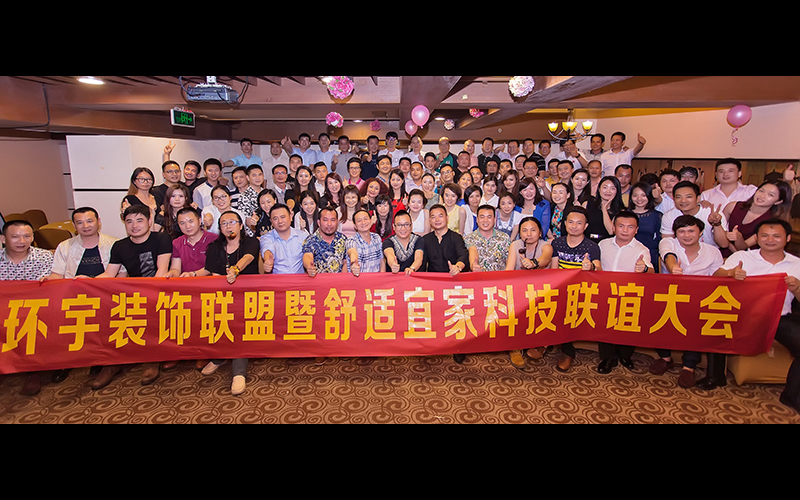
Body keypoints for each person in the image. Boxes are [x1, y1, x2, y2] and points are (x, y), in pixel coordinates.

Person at [713, 218, 800, 411]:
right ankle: (715, 376)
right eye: (765, 235)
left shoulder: (797, 264)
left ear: (787, 238)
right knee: (713, 322)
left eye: (776, 236)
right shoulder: (743, 257)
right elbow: (715, 277)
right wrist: (731, 274)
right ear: (757, 238)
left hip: (778, 317)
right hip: (740, 313)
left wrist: (796, 288)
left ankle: (791, 396)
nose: (770, 240)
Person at [95, 204, 172, 387]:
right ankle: (112, 363)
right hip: (134, 294)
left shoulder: (161, 239)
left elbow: (161, 270)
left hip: (159, 291)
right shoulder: (120, 246)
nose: (134, 225)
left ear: (149, 221)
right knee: (108, 312)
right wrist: (85, 281)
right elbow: (109, 274)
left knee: (150, 313)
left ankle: (152, 360)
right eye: (129, 221)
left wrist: (147, 294)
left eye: (139, 220)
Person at [652, 215, 724, 388]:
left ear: (700, 233)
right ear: (675, 234)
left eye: (691, 231)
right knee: (655, 314)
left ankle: (689, 366)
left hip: (700, 298)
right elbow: (668, 255)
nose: (686, 235)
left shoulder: (712, 252)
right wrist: (673, 268)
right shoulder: (668, 243)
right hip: (670, 295)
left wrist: (729, 274)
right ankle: (665, 358)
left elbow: (717, 277)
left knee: (697, 319)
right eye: (681, 231)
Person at [198, 211, 259, 395]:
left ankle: (238, 372)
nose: (228, 226)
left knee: (239, 322)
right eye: (224, 223)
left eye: (232, 222)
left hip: (249, 296)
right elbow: (213, 273)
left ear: (240, 225)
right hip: (224, 295)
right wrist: (191, 275)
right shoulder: (214, 247)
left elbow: (248, 258)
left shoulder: (251, 242)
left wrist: (235, 270)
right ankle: (220, 355)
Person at [596, 211, 654, 374]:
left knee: (628, 326)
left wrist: (644, 269)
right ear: (614, 227)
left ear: (636, 230)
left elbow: (651, 270)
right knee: (605, 325)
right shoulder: (603, 244)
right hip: (606, 292)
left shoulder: (641, 249)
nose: (625, 230)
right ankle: (607, 358)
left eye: (630, 227)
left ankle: (624, 355)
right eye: (621, 226)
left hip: (629, 294)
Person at [1, 219, 54, 395]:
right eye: (15, 237)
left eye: (26, 236)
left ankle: (33, 370)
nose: (22, 241)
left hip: (35, 310)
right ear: (3, 239)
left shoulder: (44, 257)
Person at [164, 206, 219, 371]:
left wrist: (193, 274)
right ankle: (179, 352)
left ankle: (204, 352)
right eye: (182, 223)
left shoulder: (214, 239)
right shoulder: (177, 243)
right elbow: (176, 267)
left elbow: (211, 267)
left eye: (191, 221)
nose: (187, 226)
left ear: (200, 220)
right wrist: (171, 274)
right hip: (186, 287)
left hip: (209, 287)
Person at [549, 206, 602, 372]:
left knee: (567, 309)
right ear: (565, 223)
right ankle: (544, 343)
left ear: (585, 226)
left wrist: (590, 266)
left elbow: (599, 269)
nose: (574, 226)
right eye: (571, 222)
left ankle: (568, 352)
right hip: (560, 288)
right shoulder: (557, 243)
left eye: (579, 223)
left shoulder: (592, 247)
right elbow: (554, 270)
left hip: (582, 292)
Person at [420, 204, 471, 363]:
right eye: (433, 217)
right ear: (429, 221)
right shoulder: (425, 240)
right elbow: (422, 263)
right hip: (434, 285)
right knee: (434, 317)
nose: (437, 219)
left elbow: (463, 256)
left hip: (454, 284)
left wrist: (458, 267)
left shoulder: (456, 237)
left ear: (447, 218)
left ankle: (459, 347)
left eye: (440, 216)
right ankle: (433, 345)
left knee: (456, 317)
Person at [505, 216, 553, 366]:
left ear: (540, 232)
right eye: (524, 230)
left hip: (541, 290)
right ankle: (515, 347)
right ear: (520, 233)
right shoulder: (515, 245)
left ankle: (540, 343)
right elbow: (509, 270)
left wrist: (534, 263)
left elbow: (546, 258)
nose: (529, 234)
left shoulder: (546, 245)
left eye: (533, 230)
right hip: (519, 289)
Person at [722, 179, 792, 257]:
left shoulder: (771, 222)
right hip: (721, 252)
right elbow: (718, 232)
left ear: (778, 201)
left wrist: (738, 238)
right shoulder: (732, 207)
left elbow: (743, 247)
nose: (762, 196)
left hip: (749, 258)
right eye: (761, 191)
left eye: (770, 195)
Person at [660, 180, 729, 251]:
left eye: (688, 197)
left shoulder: (712, 213)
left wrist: (716, 224)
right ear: (674, 199)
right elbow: (667, 244)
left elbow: (724, 244)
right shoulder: (669, 216)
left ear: (698, 198)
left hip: (710, 253)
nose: (683, 200)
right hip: (680, 254)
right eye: (678, 197)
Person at [260, 203, 307, 276]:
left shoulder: (303, 236)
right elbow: (268, 250)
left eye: (283, 217)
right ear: (271, 222)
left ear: (290, 217)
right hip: (277, 280)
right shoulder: (267, 238)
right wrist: (268, 261)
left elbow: (308, 255)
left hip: (299, 279)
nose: (280, 221)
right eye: (275, 219)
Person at [628, 181, 663, 272]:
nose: (639, 199)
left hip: (650, 254)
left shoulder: (656, 215)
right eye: (635, 195)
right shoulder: (625, 214)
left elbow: (659, 238)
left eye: (643, 195)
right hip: (628, 253)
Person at [383, 210, 425, 274]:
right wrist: (393, 264)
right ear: (394, 227)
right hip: (394, 279)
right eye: (399, 225)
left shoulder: (419, 240)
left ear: (411, 226)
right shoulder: (388, 242)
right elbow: (389, 255)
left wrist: (411, 269)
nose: (403, 228)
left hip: (414, 278)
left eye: (406, 224)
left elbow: (419, 258)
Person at [585, 176, 624, 243]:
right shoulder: (588, 204)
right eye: (605, 187)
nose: (608, 191)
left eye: (612, 188)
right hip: (587, 241)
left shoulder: (620, 211)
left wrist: (604, 210)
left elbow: (611, 231)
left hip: (607, 243)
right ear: (599, 189)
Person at [346, 209, 386, 275]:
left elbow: (382, 261)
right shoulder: (351, 241)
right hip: (359, 280)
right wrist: (354, 263)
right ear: (355, 226)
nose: (363, 222)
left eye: (366, 219)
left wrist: (382, 277)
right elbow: (352, 252)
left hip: (377, 279)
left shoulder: (377, 238)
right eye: (359, 221)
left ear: (371, 221)